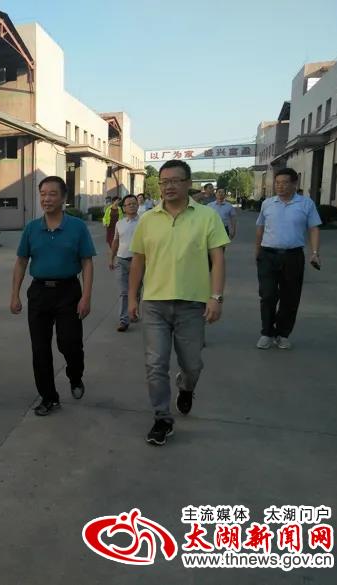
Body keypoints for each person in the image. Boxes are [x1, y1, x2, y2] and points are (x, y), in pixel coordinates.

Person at [128, 160, 229, 445]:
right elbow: (138, 261)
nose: (169, 186)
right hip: (154, 303)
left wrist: (216, 297)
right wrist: (132, 298)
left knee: (192, 364)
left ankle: (185, 387)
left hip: (192, 304)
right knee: (155, 364)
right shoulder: (148, 219)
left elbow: (218, 259)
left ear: (187, 183)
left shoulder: (206, 216)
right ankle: (162, 418)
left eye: (175, 180)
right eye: (164, 181)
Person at [11, 176, 96, 416]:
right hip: (39, 293)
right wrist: (15, 294)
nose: (46, 199)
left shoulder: (77, 227)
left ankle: (75, 375)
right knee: (40, 348)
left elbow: (87, 263)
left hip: (68, 292)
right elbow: (21, 262)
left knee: (69, 343)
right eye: (43, 194)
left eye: (52, 194)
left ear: (63, 198)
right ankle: (49, 397)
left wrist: (86, 296)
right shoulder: (31, 228)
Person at [255, 168, 321, 350]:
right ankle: (267, 333)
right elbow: (260, 228)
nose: (280, 186)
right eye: (277, 183)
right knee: (267, 295)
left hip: (293, 256)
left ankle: (282, 334)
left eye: (284, 183)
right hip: (268, 255)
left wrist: (315, 252)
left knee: (290, 297)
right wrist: (257, 252)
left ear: (294, 184)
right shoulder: (267, 204)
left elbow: (314, 228)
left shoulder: (306, 204)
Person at [109, 194, 141, 332]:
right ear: (124, 208)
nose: (132, 206)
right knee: (124, 292)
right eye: (129, 204)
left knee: (136, 291)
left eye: (134, 203)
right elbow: (115, 241)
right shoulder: (119, 223)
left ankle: (133, 311)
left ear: (138, 206)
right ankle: (124, 320)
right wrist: (111, 258)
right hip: (121, 260)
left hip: (138, 262)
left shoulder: (143, 222)